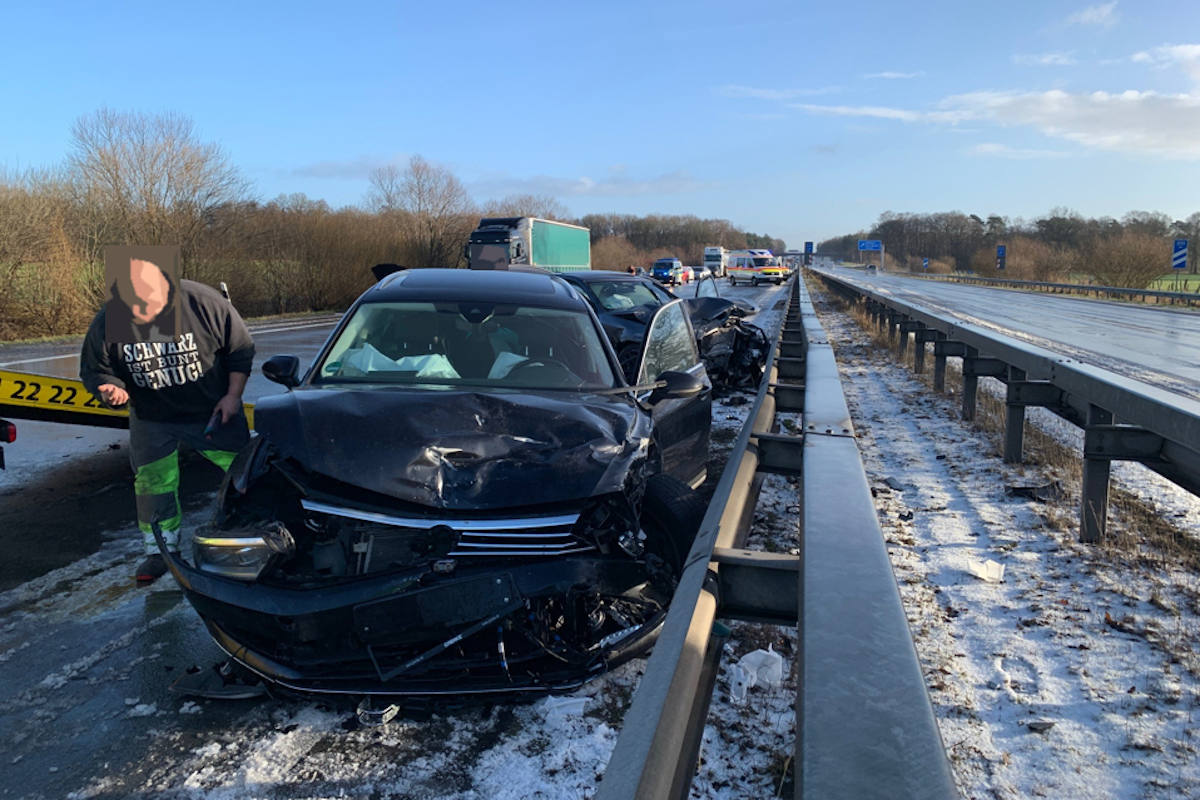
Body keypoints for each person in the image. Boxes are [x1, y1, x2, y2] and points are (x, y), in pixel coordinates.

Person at [81, 257, 255, 584]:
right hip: (152, 415)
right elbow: (96, 369)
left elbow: (240, 350)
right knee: (152, 482)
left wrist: (233, 395)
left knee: (245, 471)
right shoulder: (109, 319)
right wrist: (109, 387)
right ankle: (160, 550)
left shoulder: (203, 304)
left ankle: (251, 532)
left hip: (211, 410)